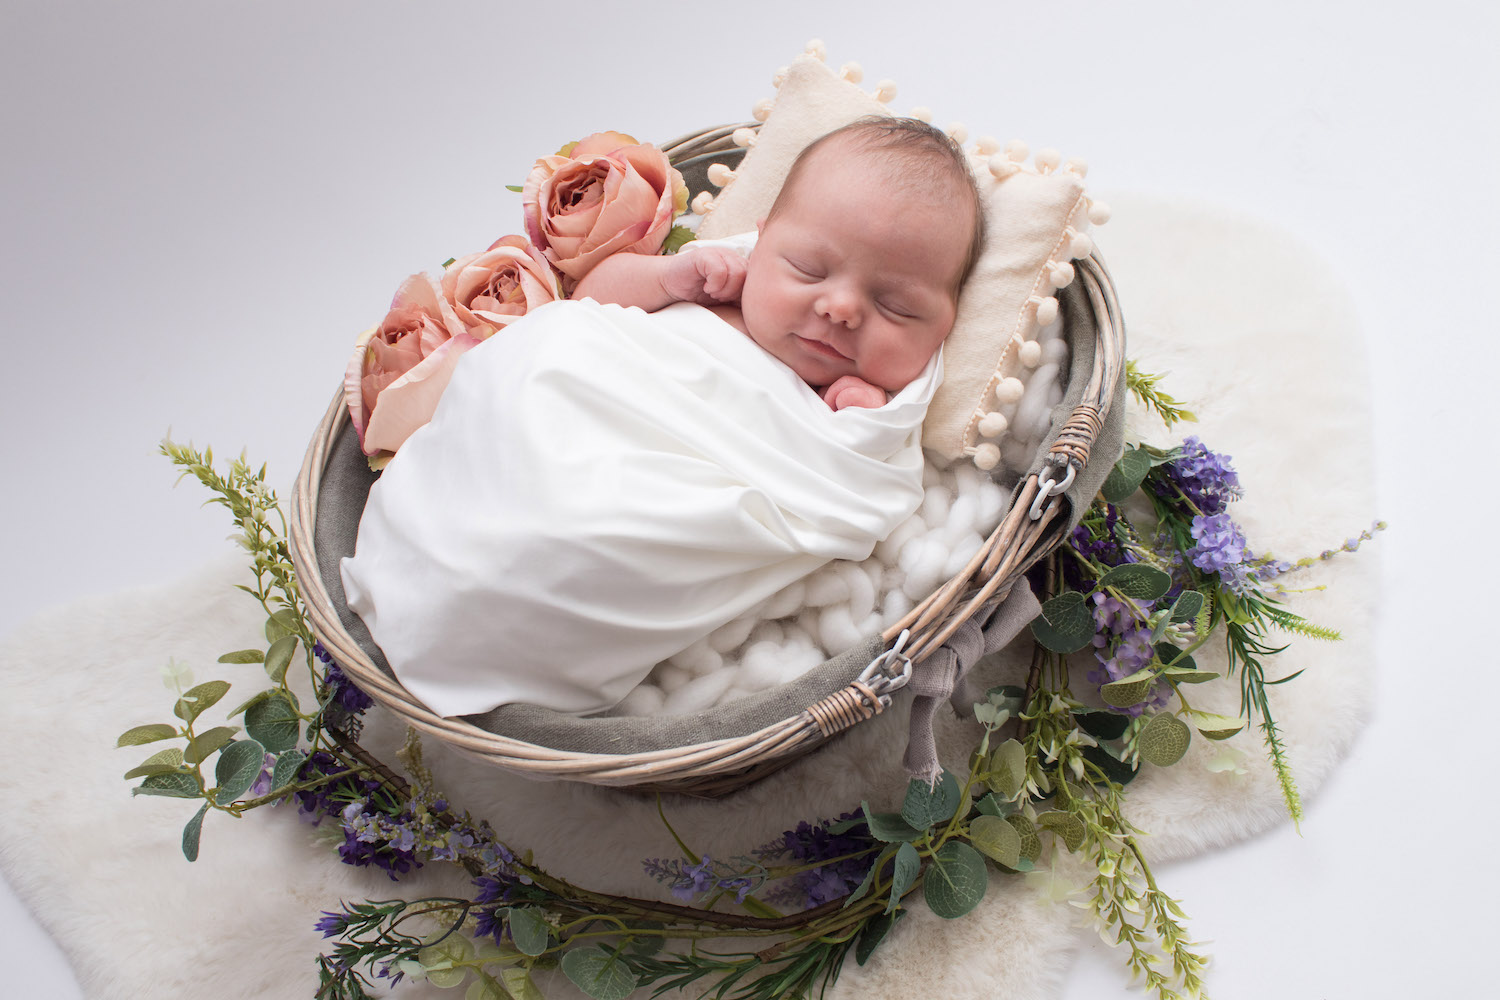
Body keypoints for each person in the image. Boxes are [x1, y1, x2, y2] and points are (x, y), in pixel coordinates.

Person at [574, 116, 985, 410]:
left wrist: (862, 426)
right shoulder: (713, 286)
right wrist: (664, 279)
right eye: (809, 268)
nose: (840, 308)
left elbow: (857, 487)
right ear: (762, 240)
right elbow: (585, 303)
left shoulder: (871, 407)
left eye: (896, 306)